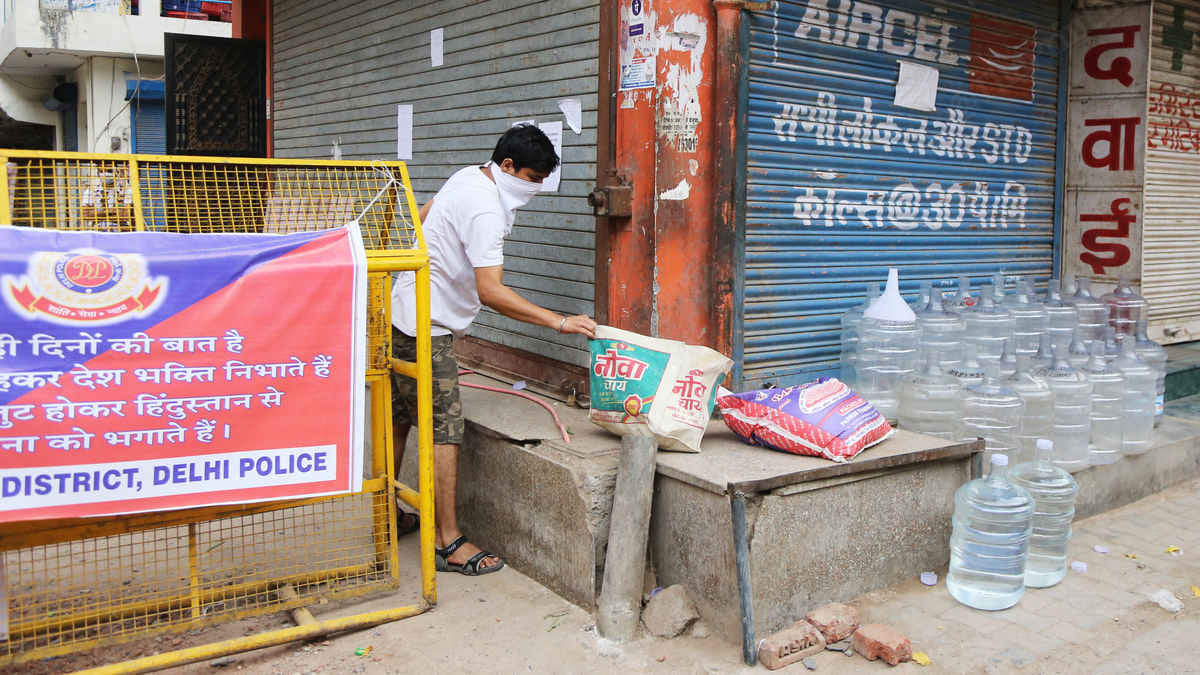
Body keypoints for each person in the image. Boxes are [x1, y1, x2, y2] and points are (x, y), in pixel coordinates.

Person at [391, 124, 597, 576]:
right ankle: (448, 541)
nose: (536, 188)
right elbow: (491, 291)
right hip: (427, 324)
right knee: (445, 428)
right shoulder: (485, 207)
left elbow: (423, 214)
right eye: (531, 177)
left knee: (401, 414)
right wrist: (559, 322)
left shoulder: (468, 176)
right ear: (507, 166)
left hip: (404, 311)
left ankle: (385, 513)